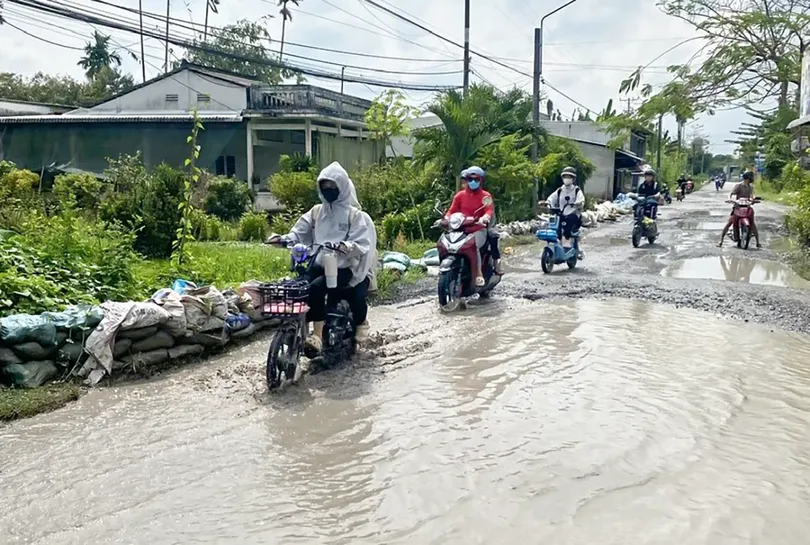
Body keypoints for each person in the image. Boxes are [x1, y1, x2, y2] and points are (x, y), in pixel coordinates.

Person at [272, 161, 377, 354]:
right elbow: (298, 232)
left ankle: (317, 336)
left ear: (342, 187)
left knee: (316, 288)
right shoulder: (316, 212)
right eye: (324, 186)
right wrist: (283, 239)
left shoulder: (355, 216)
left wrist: (346, 246)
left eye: (332, 186)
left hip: (343, 268)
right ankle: (300, 326)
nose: (328, 190)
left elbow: (362, 243)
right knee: (299, 286)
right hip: (319, 261)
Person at [445, 165, 502, 287]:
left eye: (476, 179)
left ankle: (478, 274)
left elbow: (489, 210)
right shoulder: (459, 196)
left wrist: (485, 217)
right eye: (470, 179)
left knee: (473, 245)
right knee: (446, 242)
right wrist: (447, 218)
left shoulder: (486, 196)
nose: (473, 182)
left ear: (481, 180)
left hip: (478, 229)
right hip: (461, 229)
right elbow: (452, 210)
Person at [546, 166, 585, 258]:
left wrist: (577, 203)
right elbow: (551, 198)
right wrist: (547, 203)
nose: (567, 179)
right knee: (553, 228)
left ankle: (568, 246)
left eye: (569, 177)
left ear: (573, 179)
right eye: (565, 176)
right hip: (561, 214)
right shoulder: (560, 190)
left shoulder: (576, 190)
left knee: (568, 228)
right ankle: (557, 246)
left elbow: (581, 200)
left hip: (573, 215)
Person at [718, 170, 760, 248]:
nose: (752, 178)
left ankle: (758, 242)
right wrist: (730, 199)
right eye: (751, 177)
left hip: (747, 206)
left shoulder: (750, 187)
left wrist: (753, 200)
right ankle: (721, 241)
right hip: (738, 207)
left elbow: (752, 195)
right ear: (748, 178)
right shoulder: (739, 185)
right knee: (729, 223)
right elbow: (731, 194)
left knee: (753, 224)